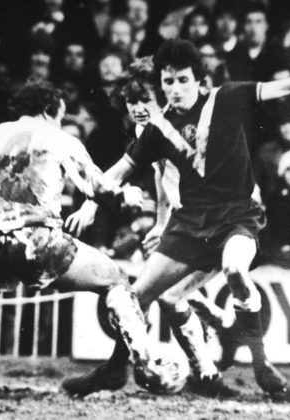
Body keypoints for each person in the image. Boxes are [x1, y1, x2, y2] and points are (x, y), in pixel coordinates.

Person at [63, 38, 290, 398]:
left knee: (234, 269)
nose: (175, 89)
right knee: (136, 297)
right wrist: (90, 203)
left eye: (182, 80)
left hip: (238, 215)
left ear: (199, 80)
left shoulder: (227, 97)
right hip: (190, 223)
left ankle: (261, 363)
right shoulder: (159, 128)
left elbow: (287, 86)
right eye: (167, 81)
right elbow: (120, 170)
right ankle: (114, 369)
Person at [0, 81, 158, 396]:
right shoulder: (59, 138)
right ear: (50, 110)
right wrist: (125, 196)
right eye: (60, 114)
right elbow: (96, 187)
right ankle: (145, 362)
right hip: (41, 241)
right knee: (115, 279)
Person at [63, 56, 238, 398]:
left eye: (145, 99)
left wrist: (91, 204)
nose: (138, 108)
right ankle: (212, 359)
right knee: (162, 296)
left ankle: (118, 368)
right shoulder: (149, 131)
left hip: (219, 221)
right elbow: (161, 178)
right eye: (131, 101)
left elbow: (127, 172)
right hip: (189, 221)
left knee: (149, 295)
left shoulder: (183, 126)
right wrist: (161, 223)